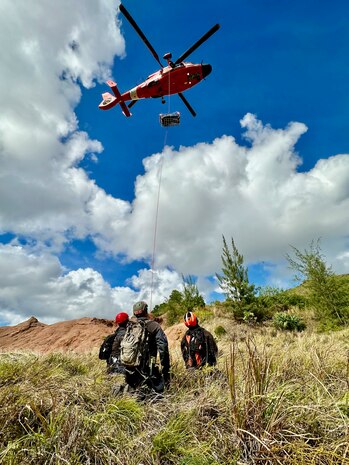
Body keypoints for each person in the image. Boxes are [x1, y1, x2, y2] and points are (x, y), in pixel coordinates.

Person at [123, 300, 170, 397]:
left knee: (132, 388)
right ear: (146, 311)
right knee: (157, 391)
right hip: (148, 364)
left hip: (129, 364)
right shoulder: (154, 325)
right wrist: (165, 367)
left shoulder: (130, 326)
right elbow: (163, 347)